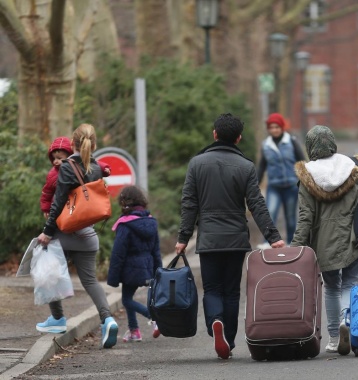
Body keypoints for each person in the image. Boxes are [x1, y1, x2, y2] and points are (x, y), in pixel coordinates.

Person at [175, 113, 285, 360]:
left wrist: (183, 237)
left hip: (209, 238)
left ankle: (216, 322)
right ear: (238, 138)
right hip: (235, 238)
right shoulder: (245, 166)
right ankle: (230, 340)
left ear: (214, 134)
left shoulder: (196, 164)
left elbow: (189, 203)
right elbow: (256, 203)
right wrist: (272, 236)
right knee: (232, 291)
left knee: (212, 288)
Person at [37, 123, 119, 349]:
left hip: (64, 233)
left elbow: (59, 202)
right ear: (94, 144)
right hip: (88, 234)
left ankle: (57, 319)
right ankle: (108, 320)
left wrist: (47, 232)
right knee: (91, 281)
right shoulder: (95, 167)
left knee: (48, 273)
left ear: (72, 144)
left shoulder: (66, 167)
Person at [290, 125, 358, 356]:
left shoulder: (308, 176)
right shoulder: (353, 168)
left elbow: (306, 217)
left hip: (323, 244)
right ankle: (348, 322)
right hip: (354, 237)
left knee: (332, 288)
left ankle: (335, 337)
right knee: (350, 285)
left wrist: (296, 249)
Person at [107, 185, 162, 343]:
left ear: (124, 202)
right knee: (127, 296)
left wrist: (113, 277)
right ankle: (134, 331)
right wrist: (158, 271)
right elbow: (156, 250)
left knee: (126, 300)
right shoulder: (151, 222)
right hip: (146, 266)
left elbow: (118, 253)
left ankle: (154, 318)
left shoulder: (125, 224)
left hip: (129, 268)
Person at [256, 113, 306, 247]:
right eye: (271, 127)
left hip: (291, 186)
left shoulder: (291, 142)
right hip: (274, 186)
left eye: (277, 127)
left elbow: (302, 161)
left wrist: (305, 181)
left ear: (282, 127)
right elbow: (262, 166)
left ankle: (291, 242)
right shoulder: (266, 145)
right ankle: (268, 241)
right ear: (268, 129)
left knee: (290, 218)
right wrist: (255, 185)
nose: (274, 130)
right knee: (271, 214)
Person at [40, 136, 111, 219]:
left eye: (59, 158)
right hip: (62, 209)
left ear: (70, 157)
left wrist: (104, 168)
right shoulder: (52, 175)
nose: (55, 161)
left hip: (80, 205)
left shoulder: (76, 166)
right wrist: (46, 208)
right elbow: (47, 192)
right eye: (54, 158)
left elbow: (91, 164)